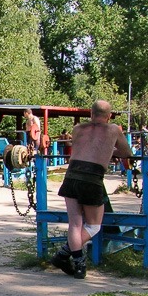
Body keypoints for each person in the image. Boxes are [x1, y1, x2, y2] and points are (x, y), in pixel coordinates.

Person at [50, 100, 133, 279]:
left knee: (75, 224)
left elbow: (83, 147)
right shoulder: (113, 130)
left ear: (91, 113)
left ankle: (77, 264)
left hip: (71, 176)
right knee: (94, 226)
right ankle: (65, 255)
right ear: (109, 116)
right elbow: (127, 153)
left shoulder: (78, 128)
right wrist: (109, 151)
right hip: (92, 178)